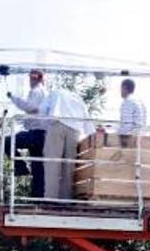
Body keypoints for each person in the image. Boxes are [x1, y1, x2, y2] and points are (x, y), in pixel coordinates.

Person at [39, 89, 94, 200]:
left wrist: (45, 126)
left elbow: (42, 109)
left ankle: (51, 199)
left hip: (57, 123)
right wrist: (92, 135)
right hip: (74, 130)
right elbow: (88, 121)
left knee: (52, 164)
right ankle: (66, 199)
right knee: (69, 167)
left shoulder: (55, 92)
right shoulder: (78, 98)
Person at [5, 69, 47, 197]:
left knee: (7, 141)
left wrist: (13, 98)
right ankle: (37, 198)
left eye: (31, 78)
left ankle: (20, 167)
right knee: (38, 167)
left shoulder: (36, 91)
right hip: (42, 134)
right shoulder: (44, 93)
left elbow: (31, 108)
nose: (29, 81)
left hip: (37, 133)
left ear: (35, 78)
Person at [117, 78, 146, 147]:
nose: (120, 91)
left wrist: (122, 136)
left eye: (121, 89)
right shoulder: (138, 100)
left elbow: (127, 122)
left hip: (130, 137)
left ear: (124, 88)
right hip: (138, 134)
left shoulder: (128, 101)